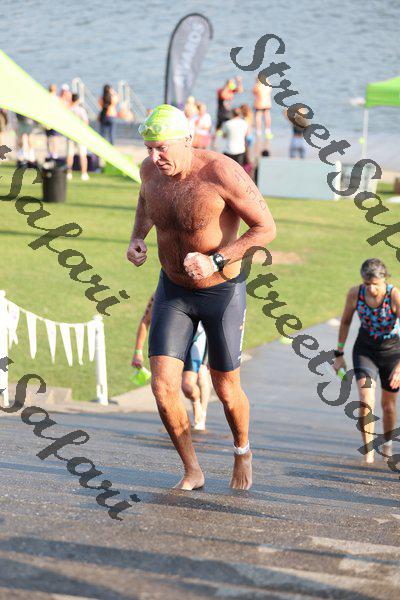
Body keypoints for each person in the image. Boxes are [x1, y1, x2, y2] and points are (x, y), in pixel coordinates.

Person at [127, 104, 276, 491]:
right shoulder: (149, 172)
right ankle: (192, 469)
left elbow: (266, 228)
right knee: (162, 388)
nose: (154, 157)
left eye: (162, 148)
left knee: (225, 389)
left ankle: (242, 450)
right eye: (148, 149)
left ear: (188, 141)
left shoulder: (221, 172)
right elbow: (146, 202)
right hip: (173, 290)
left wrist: (217, 260)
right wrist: (137, 237)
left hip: (220, 292)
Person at [334, 259, 400, 465]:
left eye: (376, 284)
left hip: (392, 352)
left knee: (388, 405)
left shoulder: (394, 295)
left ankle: (387, 443)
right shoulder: (356, 293)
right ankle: (369, 451)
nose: (371, 289)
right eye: (367, 283)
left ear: (384, 279)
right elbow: (345, 321)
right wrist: (339, 353)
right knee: (365, 402)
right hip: (365, 350)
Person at [132, 294, 211, 430]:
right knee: (171, 385)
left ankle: (201, 413)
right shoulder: (158, 295)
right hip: (176, 341)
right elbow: (145, 321)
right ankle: (192, 404)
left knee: (199, 376)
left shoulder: (200, 292)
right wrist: (138, 352)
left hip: (198, 338)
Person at [66, 93, 89, 181]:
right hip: (80, 135)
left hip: (71, 134)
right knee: (83, 155)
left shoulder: (69, 109)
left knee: (70, 155)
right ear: (78, 100)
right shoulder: (81, 110)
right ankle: (84, 173)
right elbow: (86, 122)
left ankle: (69, 173)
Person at [45, 83, 60, 159]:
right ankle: (55, 153)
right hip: (54, 121)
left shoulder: (46, 98)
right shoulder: (56, 99)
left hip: (47, 121)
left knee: (48, 138)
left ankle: (49, 153)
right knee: (55, 138)